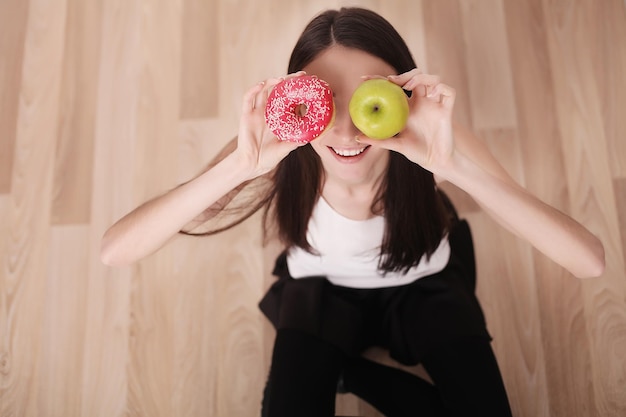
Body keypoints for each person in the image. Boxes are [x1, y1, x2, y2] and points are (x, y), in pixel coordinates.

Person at [100, 7, 605, 417]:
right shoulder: (280, 144)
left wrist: (451, 166)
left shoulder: (434, 145)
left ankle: (348, 371)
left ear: (400, 95)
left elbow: (590, 262)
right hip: (322, 292)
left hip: (423, 288)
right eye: (326, 99)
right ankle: (339, 367)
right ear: (297, 99)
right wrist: (239, 166)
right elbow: (116, 251)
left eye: (368, 96)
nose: (344, 132)